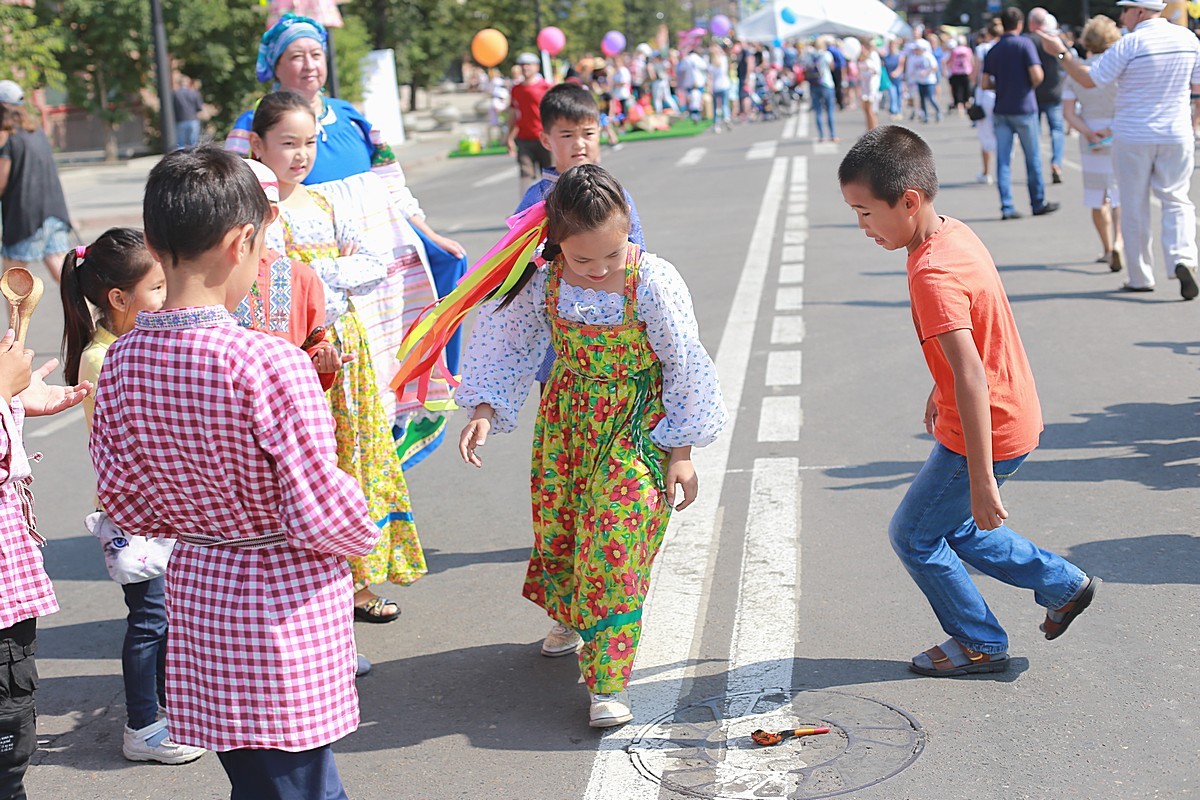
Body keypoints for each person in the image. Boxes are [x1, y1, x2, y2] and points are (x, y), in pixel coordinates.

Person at [90, 146, 380, 798]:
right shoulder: (269, 364)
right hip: (282, 606)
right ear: (240, 242)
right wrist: (364, 521)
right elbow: (321, 513)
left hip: (200, 595)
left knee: (257, 781)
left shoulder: (123, 360)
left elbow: (124, 502)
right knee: (304, 786)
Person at [456, 164, 727, 726]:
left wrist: (682, 453)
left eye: (614, 252)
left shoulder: (652, 280)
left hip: (635, 425)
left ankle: (607, 680)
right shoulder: (542, 280)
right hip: (567, 424)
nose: (601, 268)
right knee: (564, 529)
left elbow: (684, 362)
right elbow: (505, 343)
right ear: (556, 244)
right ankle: (574, 617)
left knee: (614, 543)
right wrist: (485, 409)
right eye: (584, 259)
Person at [838, 126, 1098, 677]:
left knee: (913, 535)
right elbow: (975, 341)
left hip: (986, 425)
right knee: (953, 528)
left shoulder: (931, 273)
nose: (861, 227)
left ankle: (980, 641)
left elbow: (972, 377)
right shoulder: (950, 234)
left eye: (864, 212)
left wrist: (981, 478)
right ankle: (1062, 585)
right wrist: (940, 385)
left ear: (908, 201)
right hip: (1009, 411)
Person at [225, 13, 466, 463]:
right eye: (296, 56)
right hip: (290, 270)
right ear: (275, 66)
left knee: (443, 274)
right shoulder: (252, 122)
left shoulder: (353, 115)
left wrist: (427, 232)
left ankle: (402, 422)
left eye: (316, 54)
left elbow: (390, 178)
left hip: (360, 247)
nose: (309, 65)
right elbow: (225, 187)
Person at [248, 92, 426, 622]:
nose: (300, 155)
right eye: (287, 143)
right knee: (314, 463)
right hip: (297, 354)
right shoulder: (259, 213)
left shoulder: (325, 201)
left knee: (359, 458)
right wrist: (324, 276)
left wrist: (316, 276)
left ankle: (361, 582)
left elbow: (374, 263)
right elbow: (273, 284)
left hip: (347, 350)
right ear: (258, 145)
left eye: (309, 143)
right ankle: (319, 584)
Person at [60, 230, 208, 766]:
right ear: (119, 299)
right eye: (157, 287)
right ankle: (143, 725)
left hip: (161, 505)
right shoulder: (107, 357)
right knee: (150, 619)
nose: (167, 297)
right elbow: (137, 436)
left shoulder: (129, 344)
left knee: (168, 615)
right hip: (137, 509)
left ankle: (169, 711)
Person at [1038, 0, 1200, 300]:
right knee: (1177, 199)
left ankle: (1140, 275)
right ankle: (1183, 258)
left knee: (1133, 203)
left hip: (1133, 134)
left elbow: (1089, 79)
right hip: (1176, 131)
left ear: (1139, 12)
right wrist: (1192, 123)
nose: (1121, 17)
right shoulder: (1188, 39)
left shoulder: (1130, 44)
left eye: (1125, 10)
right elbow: (1198, 88)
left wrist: (1060, 53)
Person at [982, 7, 1059, 221]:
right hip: (1024, 107)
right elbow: (1037, 75)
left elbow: (985, 82)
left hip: (1002, 109)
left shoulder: (993, 50)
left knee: (1004, 160)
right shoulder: (1025, 44)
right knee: (1032, 157)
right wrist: (1025, 85)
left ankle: (1007, 206)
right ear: (1019, 24)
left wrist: (1002, 86)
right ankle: (1037, 201)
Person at [1061, 16, 1123, 271]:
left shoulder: (1077, 73)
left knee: (1098, 197)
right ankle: (1120, 241)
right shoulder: (1119, 73)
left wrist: (1088, 132)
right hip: (1120, 131)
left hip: (1091, 136)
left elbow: (1068, 112)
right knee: (1121, 192)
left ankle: (1107, 248)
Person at [0, 80, 71, 283]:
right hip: (54, 210)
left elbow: (1, 183)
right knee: (63, 274)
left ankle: (18, 317)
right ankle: (90, 313)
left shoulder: (7, 137)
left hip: (25, 218)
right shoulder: (36, 132)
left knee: (12, 279)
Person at [1026, 9, 1066, 185]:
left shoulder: (1028, 42)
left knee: (1035, 134)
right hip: (1055, 91)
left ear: (1031, 23)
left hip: (1033, 93)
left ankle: (1037, 169)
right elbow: (1067, 60)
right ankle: (1056, 163)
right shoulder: (1057, 40)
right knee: (1056, 130)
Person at [508, 52, 554, 196]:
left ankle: (552, 203)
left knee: (549, 173)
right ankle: (524, 209)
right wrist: (509, 137)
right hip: (524, 137)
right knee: (525, 172)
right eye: (522, 65)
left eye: (528, 64)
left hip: (544, 136)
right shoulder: (516, 89)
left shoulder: (545, 87)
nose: (525, 68)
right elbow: (513, 114)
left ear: (536, 67)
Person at [973, 20, 1002, 185]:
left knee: (985, 134)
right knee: (1003, 132)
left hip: (984, 94)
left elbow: (975, 74)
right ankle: (1003, 170)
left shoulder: (982, 49)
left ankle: (986, 172)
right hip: (1001, 93)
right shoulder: (1004, 48)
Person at [807, 39, 837, 142]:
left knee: (818, 111)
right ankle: (833, 135)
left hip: (814, 84)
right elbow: (832, 67)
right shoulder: (826, 54)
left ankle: (821, 136)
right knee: (829, 110)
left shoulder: (809, 55)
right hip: (827, 83)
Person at [911, 39, 942, 123]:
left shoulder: (928, 56)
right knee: (922, 99)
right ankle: (925, 115)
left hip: (929, 81)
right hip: (920, 81)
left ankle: (938, 111)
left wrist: (927, 72)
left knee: (930, 98)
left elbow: (935, 67)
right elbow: (912, 69)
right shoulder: (914, 58)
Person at [172, 77, 204, 149]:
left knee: (180, 144)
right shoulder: (194, 93)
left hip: (180, 120)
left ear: (179, 83)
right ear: (188, 83)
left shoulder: (175, 94)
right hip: (193, 120)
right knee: (193, 144)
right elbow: (199, 108)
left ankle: (180, 159)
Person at [857, 40, 883, 132]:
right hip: (864, 86)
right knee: (866, 110)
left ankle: (874, 131)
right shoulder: (861, 56)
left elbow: (877, 70)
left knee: (871, 110)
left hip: (873, 87)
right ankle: (869, 130)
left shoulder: (873, 55)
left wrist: (869, 67)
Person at [709, 43, 732, 133]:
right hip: (725, 85)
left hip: (716, 86)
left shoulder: (711, 64)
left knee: (716, 107)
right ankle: (726, 117)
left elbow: (710, 78)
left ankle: (717, 125)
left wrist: (710, 88)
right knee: (724, 104)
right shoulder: (724, 60)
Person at [947, 38, 974, 114]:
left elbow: (950, 61)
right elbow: (971, 60)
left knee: (958, 90)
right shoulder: (968, 50)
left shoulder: (954, 51)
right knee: (967, 89)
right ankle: (967, 104)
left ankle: (960, 106)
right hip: (966, 71)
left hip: (956, 72)